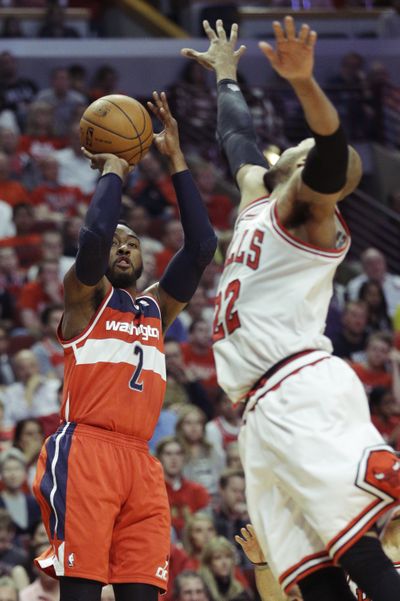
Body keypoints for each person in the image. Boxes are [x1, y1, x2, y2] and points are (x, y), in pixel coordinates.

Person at [182, 16, 400, 601]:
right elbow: (238, 142)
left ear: (306, 173)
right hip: (257, 409)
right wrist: (227, 76)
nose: (294, 150)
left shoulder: (305, 212)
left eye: (302, 151)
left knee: (356, 547)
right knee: (307, 566)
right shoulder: (259, 195)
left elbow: (331, 153)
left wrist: (305, 84)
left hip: (298, 385)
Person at [32, 91, 217, 601]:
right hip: (87, 449)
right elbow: (91, 239)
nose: (122, 247)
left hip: (141, 459)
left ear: (143, 258)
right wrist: (114, 167)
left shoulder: (158, 308)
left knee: (142, 592)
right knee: (83, 593)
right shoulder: (84, 298)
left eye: (132, 243)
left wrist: (176, 157)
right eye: (117, 242)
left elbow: (201, 247)